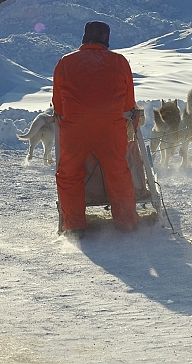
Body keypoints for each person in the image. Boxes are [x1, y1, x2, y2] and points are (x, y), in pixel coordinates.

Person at [52, 21, 141, 238]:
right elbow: (129, 105)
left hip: (76, 130)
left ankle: (75, 226)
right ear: (106, 41)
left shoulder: (65, 62)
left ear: (84, 39)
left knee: (69, 173)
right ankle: (127, 222)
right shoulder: (119, 62)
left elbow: (59, 106)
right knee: (117, 171)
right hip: (111, 129)